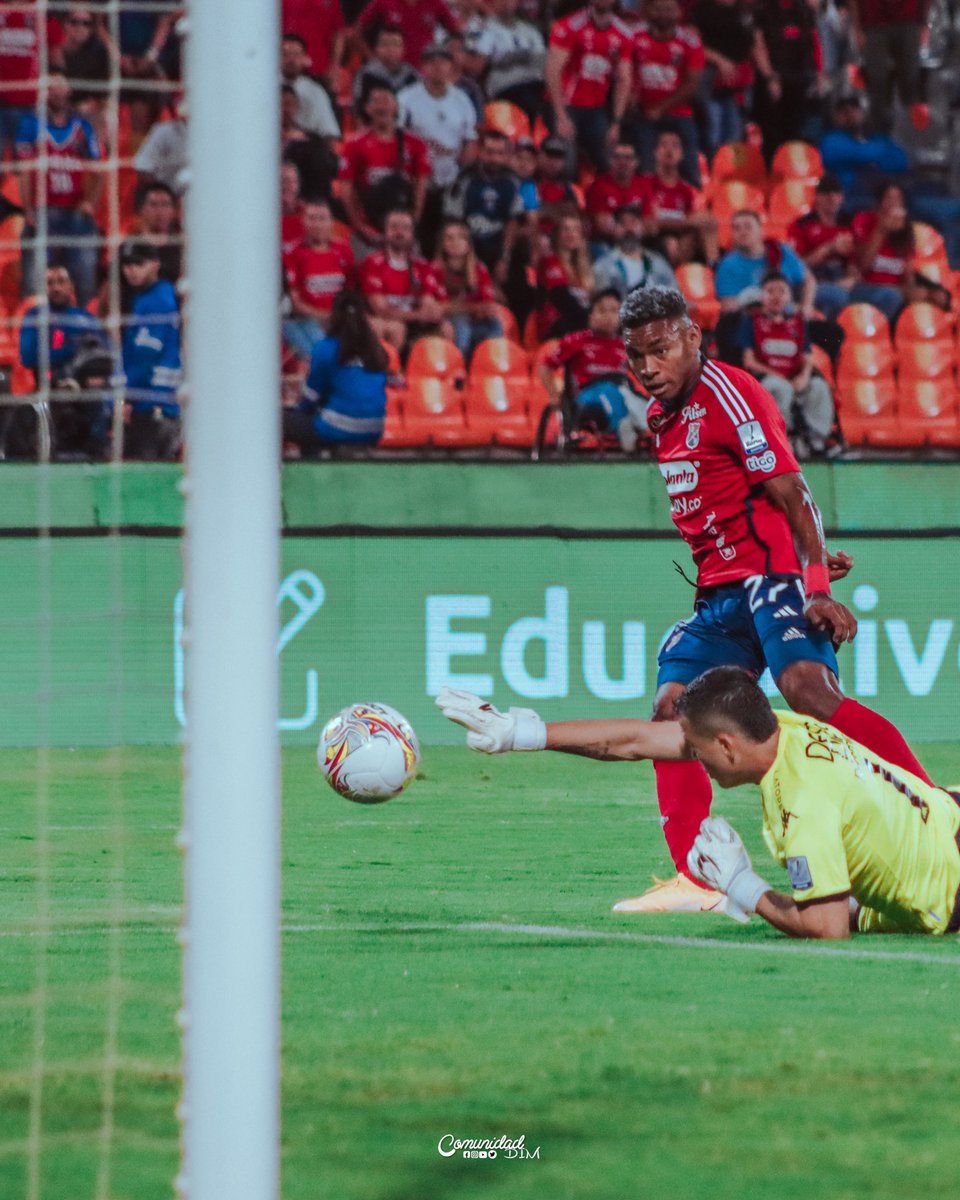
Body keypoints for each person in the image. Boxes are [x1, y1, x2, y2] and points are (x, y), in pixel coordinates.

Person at [606, 285, 932, 914]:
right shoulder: (661, 417)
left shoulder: (730, 394)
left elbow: (793, 492)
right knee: (672, 708)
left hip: (771, 582)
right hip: (721, 596)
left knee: (808, 692)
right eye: (637, 356)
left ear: (693, 338)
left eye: (662, 349)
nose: (648, 367)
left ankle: (932, 809)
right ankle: (695, 882)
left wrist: (812, 582)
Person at [436, 665, 960, 939]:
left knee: (835, 910)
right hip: (950, 816)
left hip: (951, 890)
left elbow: (827, 931)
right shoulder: (786, 728)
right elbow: (639, 741)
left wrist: (742, 886)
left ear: (728, 745)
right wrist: (524, 732)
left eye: (699, 751)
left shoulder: (801, 806)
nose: (693, 761)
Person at [15, 71, 102, 305]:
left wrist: (91, 203)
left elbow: (98, 169)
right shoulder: (30, 125)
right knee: (35, 280)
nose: (55, 91)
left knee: (84, 276)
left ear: (69, 90)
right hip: (44, 210)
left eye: (60, 86)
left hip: (76, 212)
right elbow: (23, 171)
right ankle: (34, 326)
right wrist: (28, 211)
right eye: (50, 87)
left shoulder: (82, 127)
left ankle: (84, 323)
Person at [737, 271, 835, 459]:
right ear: (762, 295)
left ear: (789, 296)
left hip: (794, 379)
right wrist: (782, 379)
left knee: (818, 387)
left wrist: (804, 377)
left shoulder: (797, 324)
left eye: (781, 291)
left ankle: (815, 442)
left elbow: (807, 358)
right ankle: (782, 439)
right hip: (767, 380)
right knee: (779, 388)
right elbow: (749, 361)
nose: (776, 296)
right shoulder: (751, 322)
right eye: (770, 291)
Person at [18, 263, 112, 458]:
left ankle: (96, 458)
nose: (56, 287)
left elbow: (105, 357)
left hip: (87, 393)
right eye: (50, 283)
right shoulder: (35, 316)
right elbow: (28, 357)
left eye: (61, 281)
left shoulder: (87, 319)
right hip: (49, 392)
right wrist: (74, 350)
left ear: (71, 286)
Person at [539, 288, 649, 451]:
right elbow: (545, 366)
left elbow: (643, 375)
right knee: (610, 391)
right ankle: (625, 427)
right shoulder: (576, 341)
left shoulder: (626, 347)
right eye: (602, 311)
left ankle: (640, 429)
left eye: (614, 311)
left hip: (622, 392)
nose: (608, 316)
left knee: (636, 397)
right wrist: (554, 395)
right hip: (586, 399)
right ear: (591, 315)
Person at [283, 290, 389, 455]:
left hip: (337, 427)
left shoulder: (324, 348)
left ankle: (312, 472)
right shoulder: (377, 349)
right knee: (316, 422)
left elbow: (311, 398)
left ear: (334, 317)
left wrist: (297, 409)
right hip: (375, 428)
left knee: (282, 421)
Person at [398, 43, 478, 255]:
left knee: (446, 234)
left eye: (443, 62)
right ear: (423, 67)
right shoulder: (407, 97)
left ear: (451, 67)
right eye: (432, 62)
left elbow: (470, 140)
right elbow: (398, 137)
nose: (438, 67)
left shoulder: (461, 99)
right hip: (415, 176)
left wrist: (462, 174)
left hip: (450, 174)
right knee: (417, 231)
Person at [714, 210, 814, 363]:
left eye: (747, 227)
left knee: (832, 331)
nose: (742, 232)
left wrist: (806, 306)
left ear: (760, 229)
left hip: (788, 316)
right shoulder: (728, 265)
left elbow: (808, 280)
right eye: (737, 228)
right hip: (752, 322)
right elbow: (729, 307)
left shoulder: (780, 252)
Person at [545, 0, 633, 174]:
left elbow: (624, 79)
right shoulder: (569, 27)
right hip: (567, 105)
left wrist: (616, 122)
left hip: (596, 108)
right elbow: (552, 71)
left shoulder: (624, 34)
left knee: (609, 162)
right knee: (565, 163)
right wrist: (561, 116)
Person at [340, 83, 431, 246]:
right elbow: (346, 189)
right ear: (368, 108)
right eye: (376, 101)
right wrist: (360, 226)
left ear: (396, 107)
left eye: (386, 101)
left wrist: (413, 222)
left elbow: (421, 184)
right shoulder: (355, 144)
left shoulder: (416, 144)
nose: (382, 107)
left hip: (405, 227)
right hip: (368, 227)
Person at [627, 0, 704, 186]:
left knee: (689, 165)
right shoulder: (632, 36)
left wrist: (660, 108)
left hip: (679, 111)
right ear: (648, 11)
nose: (664, 14)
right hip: (642, 112)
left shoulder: (690, 40)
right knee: (646, 164)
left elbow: (692, 84)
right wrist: (630, 95)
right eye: (659, 9)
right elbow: (624, 70)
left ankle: (693, 200)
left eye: (669, 9)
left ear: (678, 12)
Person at [849, 181, 949, 321]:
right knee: (891, 295)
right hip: (866, 286)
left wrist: (918, 292)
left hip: (896, 289)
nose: (893, 204)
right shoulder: (864, 220)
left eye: (897, 199)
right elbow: (862, 266)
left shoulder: (905, 231)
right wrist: (881, 231)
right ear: (879, 202)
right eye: (888, 199)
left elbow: (907, 276)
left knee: (938, 297)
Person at [119, 240, 182, 460]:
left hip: (151, 407)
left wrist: (127, 398)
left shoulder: (155, 302)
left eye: (138, 263)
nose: (131, 270)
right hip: (165, 406)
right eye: (126, 264)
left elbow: (144, 357)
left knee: (141, 480)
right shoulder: (155, 297)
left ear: (155, 264)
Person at [358, 207, 450, 351]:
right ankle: (390, 371)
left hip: (413, 320)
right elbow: (380, 309)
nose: (399, 232)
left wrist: (431, 310)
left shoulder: (422, 266)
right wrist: (417, 315)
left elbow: (428, 301)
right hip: (386, 320)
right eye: (394, 227)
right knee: (396, 328)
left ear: (412, 234)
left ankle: (435, 370)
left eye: (405, 228)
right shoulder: (372, 263)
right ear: (385, 232)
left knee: (446, 328)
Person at [444, 128, 525, 277]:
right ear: (480, 152)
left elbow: (513, 221)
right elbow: (453, 221)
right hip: (467, 246)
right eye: (489, 152)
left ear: (507, 156)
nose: (494, 158)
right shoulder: (464, 178)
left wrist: (504, 258)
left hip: (498, 247)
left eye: (499, 153)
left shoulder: (514, 182)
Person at [283, 199, 356, 361]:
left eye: (322, 218)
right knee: (322, 354)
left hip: (341, 319)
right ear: (303, 222)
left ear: (331, 222)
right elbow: (295, 304)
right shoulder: (292, 254)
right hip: (305, 321)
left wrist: (340, 316)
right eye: (312, 218)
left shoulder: (344, 249)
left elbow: (351, 293)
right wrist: (327, 316)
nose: (316, 224)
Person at [752, 0, 824, 159]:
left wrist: (819, 73)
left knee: (797, 130)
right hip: (776, 78)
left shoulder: (804, 9)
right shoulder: (764, 10)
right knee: (772, 131)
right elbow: (758, 45)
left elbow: (815, 41)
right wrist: (770, 77)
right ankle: (771, 171)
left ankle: (792, 169)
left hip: (800, 78)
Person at [640, 126, 718, 267]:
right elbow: (652, 224)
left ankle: (713, 268)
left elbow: (692, 222)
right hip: (654, 240)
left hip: (681, 239)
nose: (669, 150)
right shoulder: (645, 183)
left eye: (675, 146)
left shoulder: (686, 190)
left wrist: (681, 222)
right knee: (671, 243)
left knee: (706, 222)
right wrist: (686, 222)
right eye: (664, 145)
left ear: (681, 154)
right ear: (655, 152)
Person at [848, 0, 929, 135]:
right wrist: (857, 27)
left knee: (910, 79)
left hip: (908, 19)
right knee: (877, 80)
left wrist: (923, 22)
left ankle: (912, 136)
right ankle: (878, 133)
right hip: (874, 23)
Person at [692, 0, 762, 154]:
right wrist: (719, 60)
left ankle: (730, 173)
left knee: (735, 130)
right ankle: (710, 171)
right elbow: (693, 43)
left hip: (739, 78)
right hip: (710, 76)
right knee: (712, 130)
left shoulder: (744, 11)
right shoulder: (702, 9)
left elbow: (754, 43)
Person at [819, 93, 908, 212]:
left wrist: (872, 160)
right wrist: (875, 157)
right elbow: (835, 155)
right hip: (850, 198)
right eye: (843, 111)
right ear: (836, 117)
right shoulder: (831, 140)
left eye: (854, 109)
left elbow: (902, 160)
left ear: (863, 113)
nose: (850, 114)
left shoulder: (878, 139)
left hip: (884, 196)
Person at [787, 174, 857, 321]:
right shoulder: (801, 225)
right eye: (826, 194)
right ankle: (824, 336)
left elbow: (855, 265)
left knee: (888, 296)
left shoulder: (848, 225)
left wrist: (852, 278)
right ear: (817, 197)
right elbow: (796, 267)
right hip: (811, 280)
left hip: (841, 277)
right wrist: (829, 249)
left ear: (841, 197)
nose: (832, 198)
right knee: (834, 295)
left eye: (836, 193)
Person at [466, 0, 547, 125]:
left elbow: (542, 60)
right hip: (506, 87)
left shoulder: (529, 30)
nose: (506, 3)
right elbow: (476, 66)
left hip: (536, 84)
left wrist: (512, 58)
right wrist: (511, 59)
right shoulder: (483, 27)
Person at [433, 220, 503, 360]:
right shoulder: (434, 270)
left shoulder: (479, 270)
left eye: (461, 237)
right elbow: (439, 307)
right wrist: (471, 308)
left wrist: (465, 308)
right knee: (461, 322)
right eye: (449, 238)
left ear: (468, 244)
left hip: (476, 322)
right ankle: (459, 363)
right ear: (442, 244)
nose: (455, 242)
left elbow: (488, 305)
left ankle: (494, 361)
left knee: (495, 322)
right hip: (447, 324)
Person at [593, 204, 678, 297]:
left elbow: (675, 296)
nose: (629, 229)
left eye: (633, 222)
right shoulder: (603, 265)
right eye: (622, 223)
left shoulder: (658, 262)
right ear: (614, 229)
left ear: (642, 227)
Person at [537, 213, 595, 339]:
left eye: (575, 229)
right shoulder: (549, 261)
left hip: (581, 326)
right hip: (557, 329)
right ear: (557, 235)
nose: (571, 234)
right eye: (566, 229)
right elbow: (560, 297)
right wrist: (591, 321)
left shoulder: (584, 269)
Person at [354, 0, 461, 69]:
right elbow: (357, 32)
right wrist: (372, 57)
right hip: (391, 71)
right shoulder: (384, 2)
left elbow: (457, 33)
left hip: (425, 72)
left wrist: (447, 60)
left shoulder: (435, 3)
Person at [584, 141, 648, 246]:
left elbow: (652, 225)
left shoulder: (644, 185)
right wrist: (633, 227)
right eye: (617, 157)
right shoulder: (598, 186)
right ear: (611, 161)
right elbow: (602, 226)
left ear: (636, 162)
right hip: (604, 242)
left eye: (628, 158)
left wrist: (626, 229)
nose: (622, 162)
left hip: (639, 241)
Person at [281, 32, 341, 140]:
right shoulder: (264, 88)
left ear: (305, 58)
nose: (291, 60)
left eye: (296, 55)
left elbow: (329, 133)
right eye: (285, 54)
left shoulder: (315, 91)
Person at [133, 93, 188, 196]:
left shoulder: (215, 136)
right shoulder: (164, 131)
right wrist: (163, 196)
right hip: (170, 195)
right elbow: (143, 166)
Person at [352, 26, 419, 110]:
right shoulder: (366, 74)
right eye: (384, 44)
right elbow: (358, 107)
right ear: (376, 49)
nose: (390, 49)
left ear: (403, 49)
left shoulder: (412, 75)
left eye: (395, 44)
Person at [133, 181, 182, 283]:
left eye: (165, 204)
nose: (160, 211)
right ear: (142, 210)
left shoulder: (181, 246)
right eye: (153, 204)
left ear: (173, 211)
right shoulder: (130, 246)